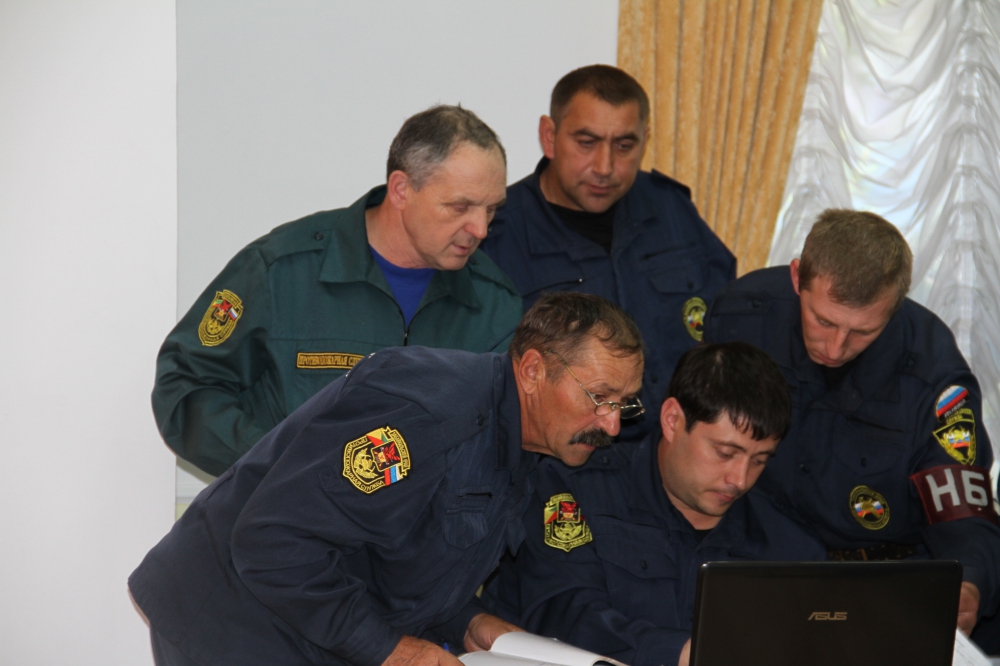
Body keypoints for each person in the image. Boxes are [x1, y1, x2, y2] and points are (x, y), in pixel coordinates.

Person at [129, 293, 646, 666]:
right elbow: (274, 544)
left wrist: (469, 621)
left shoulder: (529, 442)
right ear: (532, 371)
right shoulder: (429, 418)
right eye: (599, 397)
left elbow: (399, 555)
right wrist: (392, 650)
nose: (611, 425)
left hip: (306, 619)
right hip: (233, 618)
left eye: (625, 404)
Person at [153, 105, 522, 476]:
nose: (480, 229)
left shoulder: (495, 303)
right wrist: (278, 467)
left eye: (491, 209)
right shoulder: (283, 271)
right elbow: (185, 385)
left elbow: (507, 436)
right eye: (460, 207)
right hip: (291, 510)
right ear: (401, 190)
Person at [704, 209, 1000, 642]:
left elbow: (960, 506)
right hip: (758, 564)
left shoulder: (932, 372)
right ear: (796, 278)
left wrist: (969, 584)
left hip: (883, 583)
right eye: (823, 321)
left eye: (863, 331)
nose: (836, 347)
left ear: (894, 307)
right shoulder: (741, 317)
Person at [483, 342, 826, 666]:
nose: (740, 479)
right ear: (673, 420)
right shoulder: (572, 488)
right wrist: (683, 654)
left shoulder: (790, 549)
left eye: (760, 460)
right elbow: (561, 613)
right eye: (725, 453)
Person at [480, 64, 735, 440]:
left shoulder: (671, 210)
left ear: (645, 140)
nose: (605, 167)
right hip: (563, 461)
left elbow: (725, 326)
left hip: (672, 451)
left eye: (624, 146)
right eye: (587, 142)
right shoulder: (496, 235)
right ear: (549, 136)